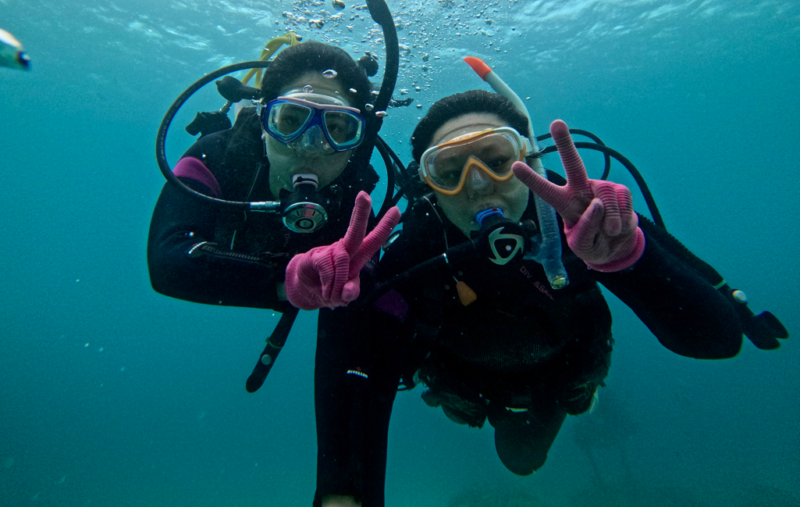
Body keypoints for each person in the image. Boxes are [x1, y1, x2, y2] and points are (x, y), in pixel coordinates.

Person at [285, 87, 785, 507]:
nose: (478, 186)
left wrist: (627, 256)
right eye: (449, 170)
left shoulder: (584, 225)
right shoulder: (415, 254)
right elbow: (362, 373)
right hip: (467, 387)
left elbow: (717, 341)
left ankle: (584, 402)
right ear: (428, 187)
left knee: (525, 459)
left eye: (498, 160)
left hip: (562, 376)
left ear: (528, 160)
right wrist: (344, 492)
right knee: (517, 458)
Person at [147, 39, 400, 327]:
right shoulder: (216, 156)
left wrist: (344, 280)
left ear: (356, 142)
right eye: (291, 120)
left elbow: (360, 277)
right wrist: (284, 280)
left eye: (337, 127)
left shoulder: (355, 188)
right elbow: (167, 261)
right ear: (264, 122)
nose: (310, 146)